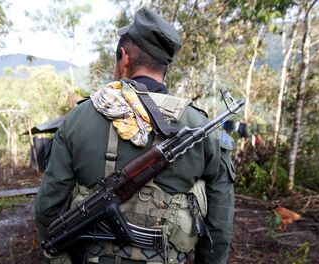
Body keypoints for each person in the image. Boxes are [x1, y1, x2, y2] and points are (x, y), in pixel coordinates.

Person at [35, 7, 236, 264]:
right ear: (165, 65)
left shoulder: (79, 118)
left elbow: (48, 208)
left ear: (124, 57)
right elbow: (219, 227)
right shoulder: (201, 126)